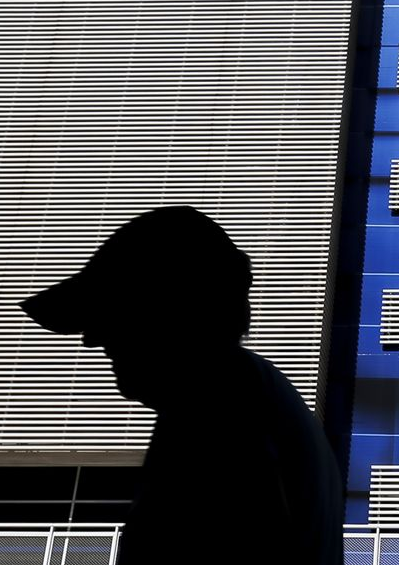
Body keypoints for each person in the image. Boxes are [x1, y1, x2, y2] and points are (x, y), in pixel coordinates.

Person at [20, 205, 344, 564]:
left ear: (169, 310)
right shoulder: (251, 400)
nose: (91, 340)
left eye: (109, 312)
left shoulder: (215, 412)